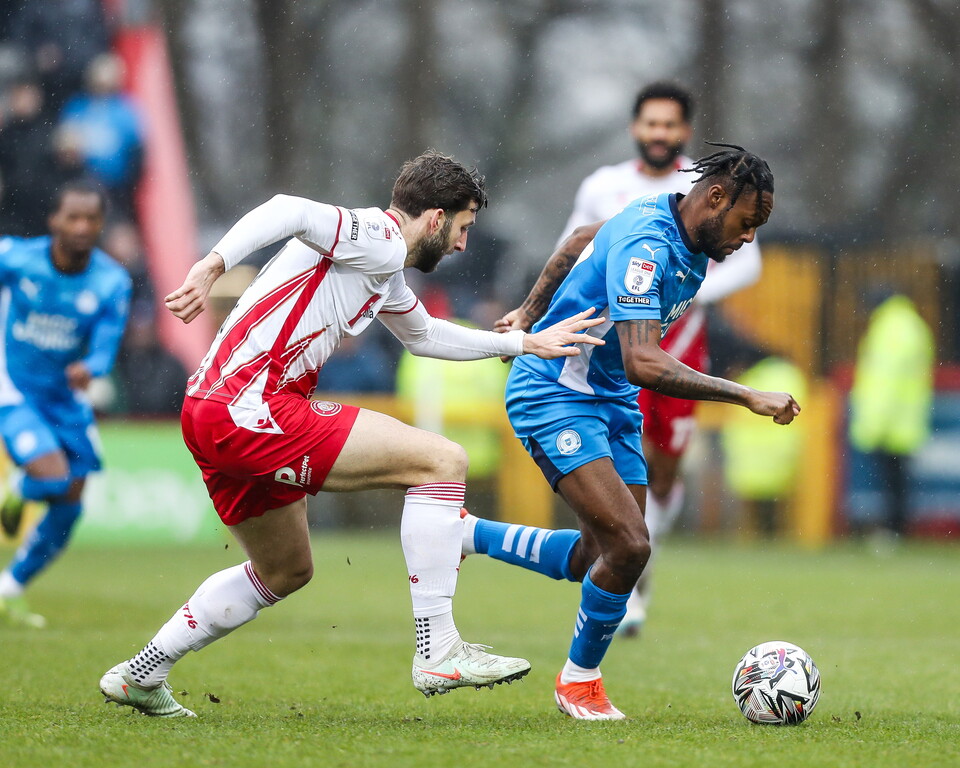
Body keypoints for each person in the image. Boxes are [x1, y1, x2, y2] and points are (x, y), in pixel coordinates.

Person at [98, 150, 605, 718]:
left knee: (285, 570)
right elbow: (288, 208)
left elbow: (423, 335)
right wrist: (212, 263)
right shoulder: (380, 237)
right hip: (254, 407)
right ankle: (438, 649)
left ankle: (141, 673)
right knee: (442, 461)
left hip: (212, 409)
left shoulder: (380, 266)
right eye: (463, 227)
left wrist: (522, 343)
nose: (464, 244)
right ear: (435, 219)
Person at [463, 144, 798, 720]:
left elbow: (576, 243)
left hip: (610, 399)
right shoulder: (650, 245)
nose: (747, 239)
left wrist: (527, 311)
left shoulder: (670, 221)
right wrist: (745, 394)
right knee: (632, 544)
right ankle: (579, 683)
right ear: (715, 198)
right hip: (554, 393)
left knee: (604, 555)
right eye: (747, 224)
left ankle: (467, 535)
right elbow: (645, 362)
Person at [556, 82, 763, 636]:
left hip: (680, 341)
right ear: (635, 128)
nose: (660, 134)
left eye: (670, 125)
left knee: (664, 468)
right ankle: (621, 567)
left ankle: (635, 567)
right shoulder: (607, 186)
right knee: (616, 469)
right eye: (652, 123)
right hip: (608, 348)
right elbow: (574, 241)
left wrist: (684, 290)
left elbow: (748, 262)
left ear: (685, 132)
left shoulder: (715, 187)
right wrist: (534, 317)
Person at [0, 180, 131, 628]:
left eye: (90, 218)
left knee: (72, 499)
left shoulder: (112, 281)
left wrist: (91, 366)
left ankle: (10, 588)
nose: (81, 226)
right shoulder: (16, 258)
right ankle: (17, 489)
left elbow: (106, 343)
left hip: (64, 395)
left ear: (100, 224)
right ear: (53, 220)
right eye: (72, 217)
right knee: (52, 475)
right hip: (13, 386)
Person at [848, 290, 934, 540]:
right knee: (897, 481)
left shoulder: (891, 329)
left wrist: (874, 422)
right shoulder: (909, 324)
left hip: (891, 421)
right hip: (904, 419)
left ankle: (893, 530)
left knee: (891, 482)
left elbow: (886, 381)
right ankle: (895, 529)